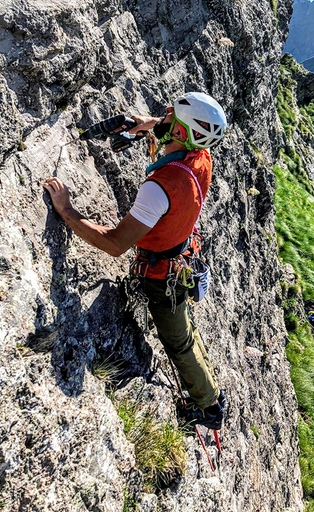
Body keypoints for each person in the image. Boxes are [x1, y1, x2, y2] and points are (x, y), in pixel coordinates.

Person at [43, 92, 227, 429]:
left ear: (182, 134)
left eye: (172, 113)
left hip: (163, 276)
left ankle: (208, 407)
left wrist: (66, 210)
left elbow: (115, 244)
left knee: (178, 341)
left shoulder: (160, 188)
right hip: (183, 256)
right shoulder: (201, 158)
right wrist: (149, 126)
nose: (165, 111)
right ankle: (211, 390)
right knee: (185, 332)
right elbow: (174, 133)